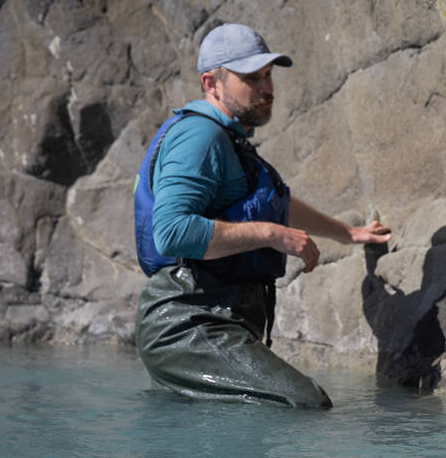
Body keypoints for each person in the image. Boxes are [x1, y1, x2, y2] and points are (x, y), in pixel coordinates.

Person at [134, 23, 391, 408]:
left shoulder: (229, 139)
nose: (267, 88)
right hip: (189, 323)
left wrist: (349, 233)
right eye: (251, 78)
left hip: (211, 319)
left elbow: (278, 202)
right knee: (304, 403)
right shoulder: (199, 137)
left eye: (269, 75)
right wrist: (273, 234)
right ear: (211, 83)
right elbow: (170, 232)